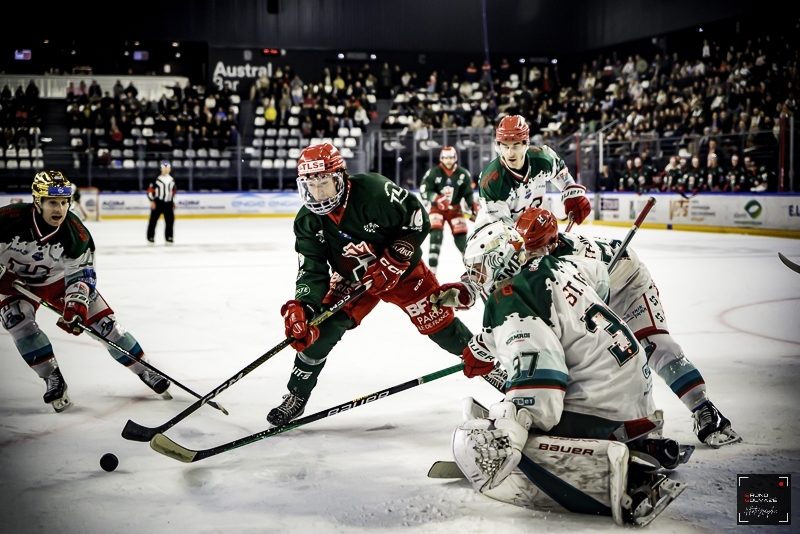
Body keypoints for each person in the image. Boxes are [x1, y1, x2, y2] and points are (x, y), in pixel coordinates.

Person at [450, 220, 686, 526]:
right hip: (633, 391)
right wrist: (484, 345)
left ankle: (613, 473)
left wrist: (511, 431)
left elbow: (540, 388)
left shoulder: (507, 299)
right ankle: (637, 444)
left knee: (479, 434)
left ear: (498, 260)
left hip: (602, 408)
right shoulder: (560, 264)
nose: (477, 279)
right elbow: (591, 290)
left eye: (479, 269)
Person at [265, 143, 505, 427]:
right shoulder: (308, 221)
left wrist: (395, 259)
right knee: (319, 331)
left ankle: (493, 369)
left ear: (341, 177)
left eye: (325, 184)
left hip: (403, 274)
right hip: (354, 280)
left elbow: (418, 220)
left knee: (441, 326)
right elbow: (312, 270)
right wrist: (303, 306)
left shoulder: (375, 190)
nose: (318, 194)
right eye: (311, 186)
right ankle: (296, 395)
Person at [511, 207, 741, 448]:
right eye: (525, 248)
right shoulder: (541, 257)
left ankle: (704, 409)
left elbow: (584, 304)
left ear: (552, 243)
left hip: (629, 286)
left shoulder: (574, 262)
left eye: (535, 248)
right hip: (596, 289)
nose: (528, 255)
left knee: (656, 347)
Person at [0, 171, 171, 412]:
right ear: (37, 202)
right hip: (13, 282)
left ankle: (145, 369)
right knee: (17, 322)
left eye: (63, 202)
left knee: (106, 326)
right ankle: (52, 377)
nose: (59, 209)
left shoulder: (75, 232)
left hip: (60, 280)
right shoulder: (7, 219)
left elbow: (82, 274)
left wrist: (75, 306)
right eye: (51, 202)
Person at [474, 115, 591, 226]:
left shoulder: (544, 159)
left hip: (535, 232)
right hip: (493, 240)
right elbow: (503, 233)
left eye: (516, 146)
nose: (510, 153)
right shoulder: (491, 181)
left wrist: (572, 195)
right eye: (505, 146)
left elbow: (563, 176)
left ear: (526, 144)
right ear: (498, 146)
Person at [418, 147, 478, 274]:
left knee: (461, 239)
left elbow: (467, 193)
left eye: (451, 157)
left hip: (455, 208)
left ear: (455, 158)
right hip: (437, 208)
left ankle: (473, 271)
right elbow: (424, 189)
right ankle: (432, 272)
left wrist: (473, 206)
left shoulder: (463, 173)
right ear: (441, 158)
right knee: (435, 236)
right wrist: (436, 198)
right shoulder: (433, 172)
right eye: (445, 158)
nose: (448, 160)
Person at [146, 161, 177, 244]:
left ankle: (169, 237)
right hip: (158, 202)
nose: (166, 169)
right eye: (164, 168)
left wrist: (174, 201)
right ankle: (150, 236)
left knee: (170, 221)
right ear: (161, 169)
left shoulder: (171, 180)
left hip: (169, 202)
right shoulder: (156, 179)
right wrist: (152, 200)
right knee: (153, 220)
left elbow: (173, 192)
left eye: (168, 168)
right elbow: (150, 191)